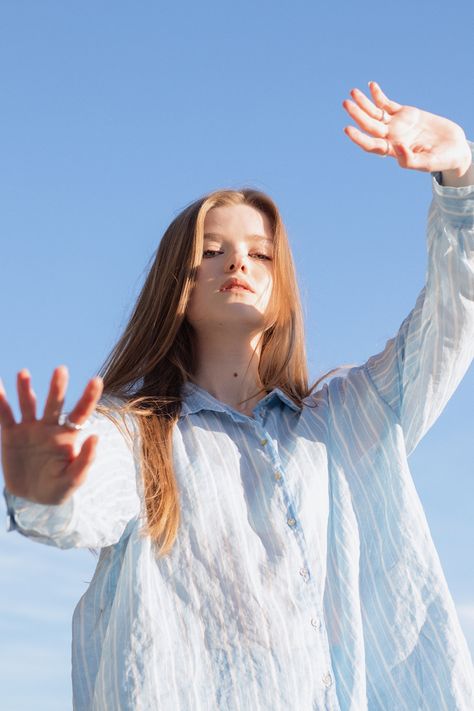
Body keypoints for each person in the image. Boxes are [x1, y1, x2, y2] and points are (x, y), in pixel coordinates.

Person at [1, 81, 473, 710]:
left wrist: (461, 177)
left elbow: (453, 313)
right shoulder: (136, 434)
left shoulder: (352, 414)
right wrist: (41, 492)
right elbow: (85, 498)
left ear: (285, 287)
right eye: (212, 251)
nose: (238, 264)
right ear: (179, 281)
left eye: (261, 253)